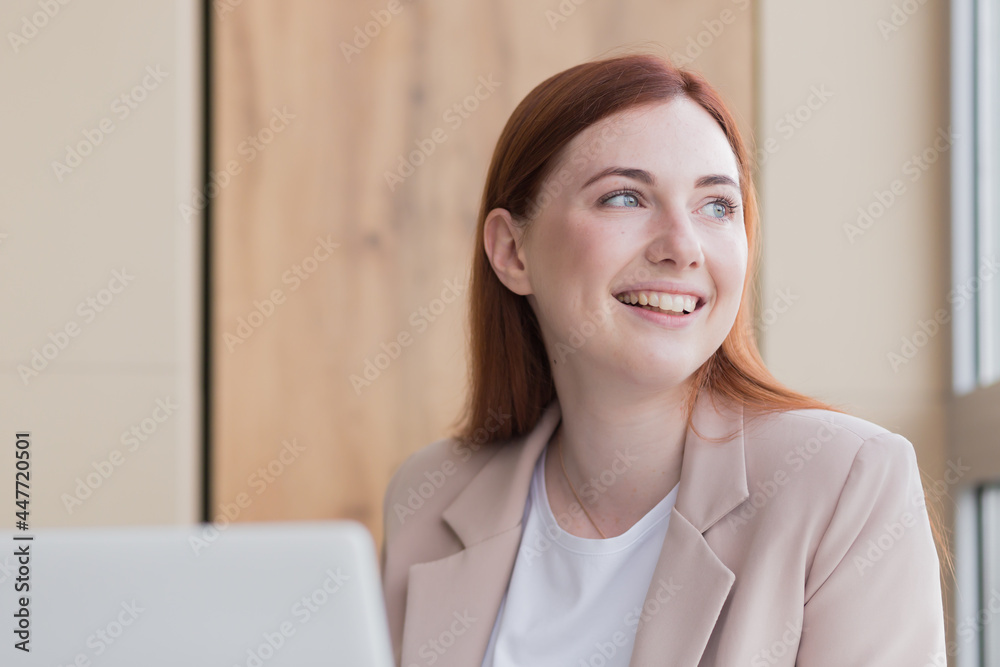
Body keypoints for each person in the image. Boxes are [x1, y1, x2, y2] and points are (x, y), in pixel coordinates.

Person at [380, 50, 950, 667]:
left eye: (717, 206)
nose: (683, 247)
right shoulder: (428, 495)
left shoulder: (846, 481)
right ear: (512, 251)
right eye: (625, 198)